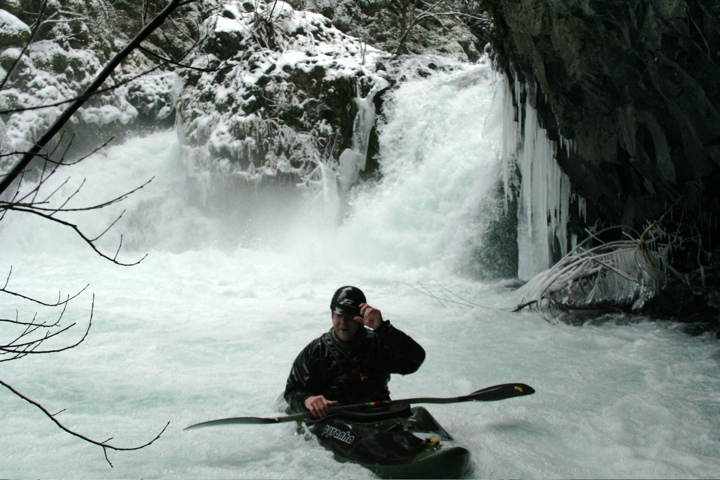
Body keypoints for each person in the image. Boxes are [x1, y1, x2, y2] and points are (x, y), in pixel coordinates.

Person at [284, 286, 426, 418]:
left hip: (379, 413)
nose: (343, 322)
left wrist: (383, 328)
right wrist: (307, 399)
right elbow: (292, 391)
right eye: (339, 315)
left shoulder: (379, 342)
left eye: (350, 316)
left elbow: (414, 361)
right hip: (336, 418)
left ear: (361, 317)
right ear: (332, 315)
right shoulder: (316, 351)